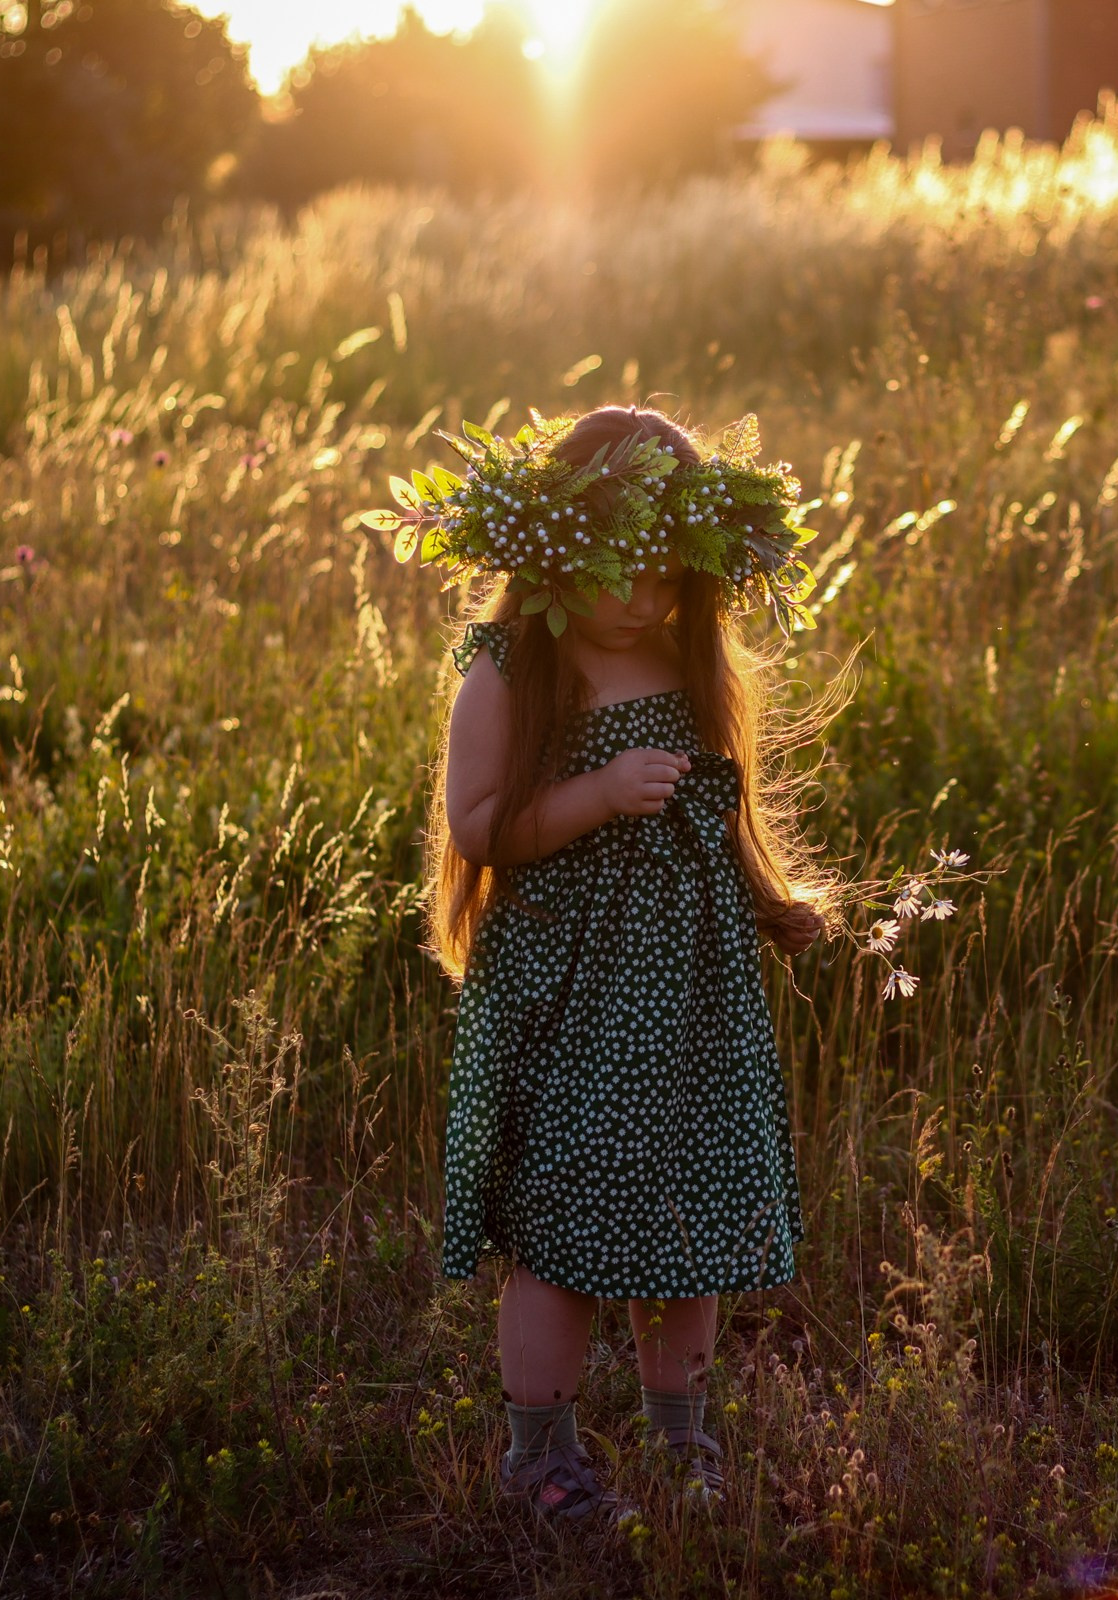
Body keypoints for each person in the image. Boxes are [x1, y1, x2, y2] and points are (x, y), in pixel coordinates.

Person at [395, 404, 828, 1522]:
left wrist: (771, 899)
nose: (645, 599)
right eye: (618, 570)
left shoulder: (690, 670)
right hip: (566, 996)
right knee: (563, 1227)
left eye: (669, 574)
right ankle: (540, 1458)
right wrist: (592, 794)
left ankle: (682, 1443)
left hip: (687, 999)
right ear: (550, 554)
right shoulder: (508, 669)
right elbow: (477, 825)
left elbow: (717, 814)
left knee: (683, 1224)